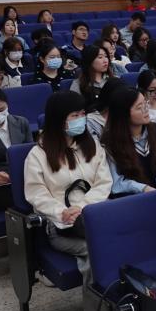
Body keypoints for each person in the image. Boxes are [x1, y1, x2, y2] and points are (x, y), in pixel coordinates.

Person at [23, 91, 112, 278]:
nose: (81, 119)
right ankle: (98, 297)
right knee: (97, 250)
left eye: (82, 114)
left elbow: (103, 183)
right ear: (58, 120)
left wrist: (82, 207)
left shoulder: (92, 144)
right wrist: (62, 212)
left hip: (96, 214)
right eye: (74, 115)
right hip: (62, 225)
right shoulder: (38, 155)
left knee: (120, 242)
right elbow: (37, 194)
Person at [102, 87, 156, 197]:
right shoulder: (110, 144)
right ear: (124, 114)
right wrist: (144, 188)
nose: (146, 109)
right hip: (133, 200)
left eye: (145, 103)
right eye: (139, 107)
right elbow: (117, 182)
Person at [70, 45, 111, 112]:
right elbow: (74, 109)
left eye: (106, 56)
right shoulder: (79, 84)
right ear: (89, 61)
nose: (105, 60)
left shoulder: (113, 80)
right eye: (100, 57)